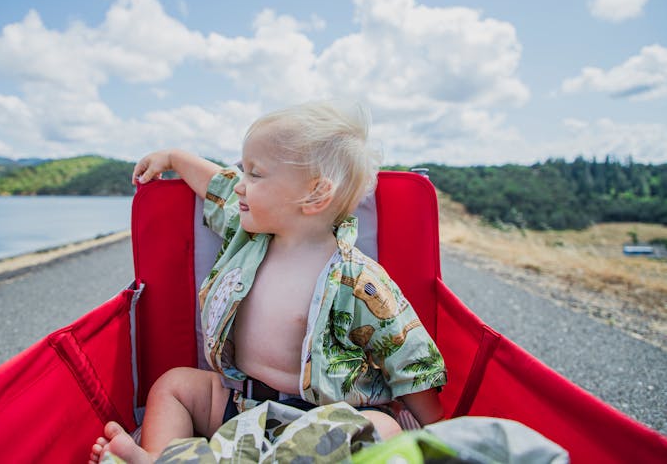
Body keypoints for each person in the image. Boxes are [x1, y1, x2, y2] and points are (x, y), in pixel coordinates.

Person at [90, 101, 447, 464]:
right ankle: (157, 457)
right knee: (174, 385)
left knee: (379, 427)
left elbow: (407, 357)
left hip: (323, 418)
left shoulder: (356, 277)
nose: (241, 187)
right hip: (241, 404)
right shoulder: (246, 238)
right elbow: (219, 187)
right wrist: (174, 157)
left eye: (255, 175)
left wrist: (441, 433)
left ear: (314, 195)